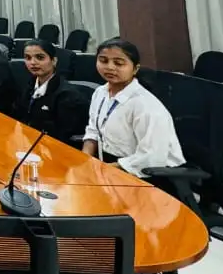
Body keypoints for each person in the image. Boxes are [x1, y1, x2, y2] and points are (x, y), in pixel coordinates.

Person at [82, 38, 185, 177]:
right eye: (103, 61)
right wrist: (86, 161)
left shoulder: (145, 105)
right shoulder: (100, 93)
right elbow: (93, 131)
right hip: (109, 166)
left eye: (118, 63)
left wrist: (102, 170)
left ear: (135, 68)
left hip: (146, 174)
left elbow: (151, 157)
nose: (110, 67)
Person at [18, 39, 87, 145]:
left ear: (54, 61)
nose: (33, 62)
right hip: (30, 140)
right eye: (28, 58)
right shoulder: (30, 84)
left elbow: (63, 136)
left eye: (40, 57)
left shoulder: (67, 95)